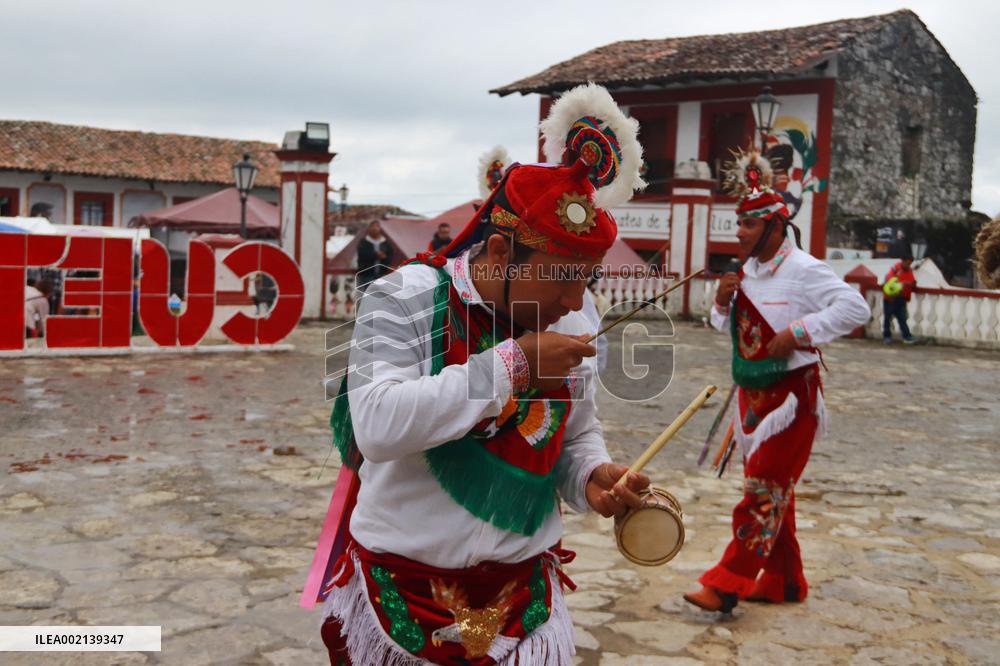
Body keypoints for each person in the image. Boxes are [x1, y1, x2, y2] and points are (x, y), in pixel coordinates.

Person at [315, 83, 649, 665]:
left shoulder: (576, 311)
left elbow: (572, 433)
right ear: (498, 252)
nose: (577, 300)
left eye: (586, 278)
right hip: (405, 589)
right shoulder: (406, 297)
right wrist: (513, 366)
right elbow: (377, 425)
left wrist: (590, 475)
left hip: (524, 597)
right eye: (562, 276)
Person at [684, 150, 870, 614]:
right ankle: (785, 580)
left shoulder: (806, 270)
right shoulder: (744, 273)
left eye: (746, 226)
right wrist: (722, 304)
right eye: (737, 225)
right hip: (751, 399)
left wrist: (800, 332)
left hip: (792, 401)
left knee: (764, 492)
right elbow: (720, 325)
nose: (738, 233)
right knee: (773, 491)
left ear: (772, 225)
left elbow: (855, 309)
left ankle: (727, 584)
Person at [882, 252, 917, 344]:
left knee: (902, 318)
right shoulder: (895, 269)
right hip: (890, 298)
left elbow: (912, 281)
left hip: (901, 298)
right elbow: (889, 281)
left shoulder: (909, 270)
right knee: (887, 318)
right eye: (907, 263)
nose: (908, 265)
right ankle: (887, 337)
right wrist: (903, 284)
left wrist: (911, 284)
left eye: (910, 263)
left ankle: (907, 336)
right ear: (903, 261)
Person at [355, 221, 392, 292]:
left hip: (381, 274)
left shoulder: (385, 243)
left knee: (380, 297)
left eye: (376, 226)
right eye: (373, 226)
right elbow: (362, 256)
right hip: (367, 275)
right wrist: (376, 255)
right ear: (369, 228)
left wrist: (384, 257)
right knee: (367, 296)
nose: (374, 228)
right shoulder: (364, 242)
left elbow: (390, 257)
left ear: (379, 228)